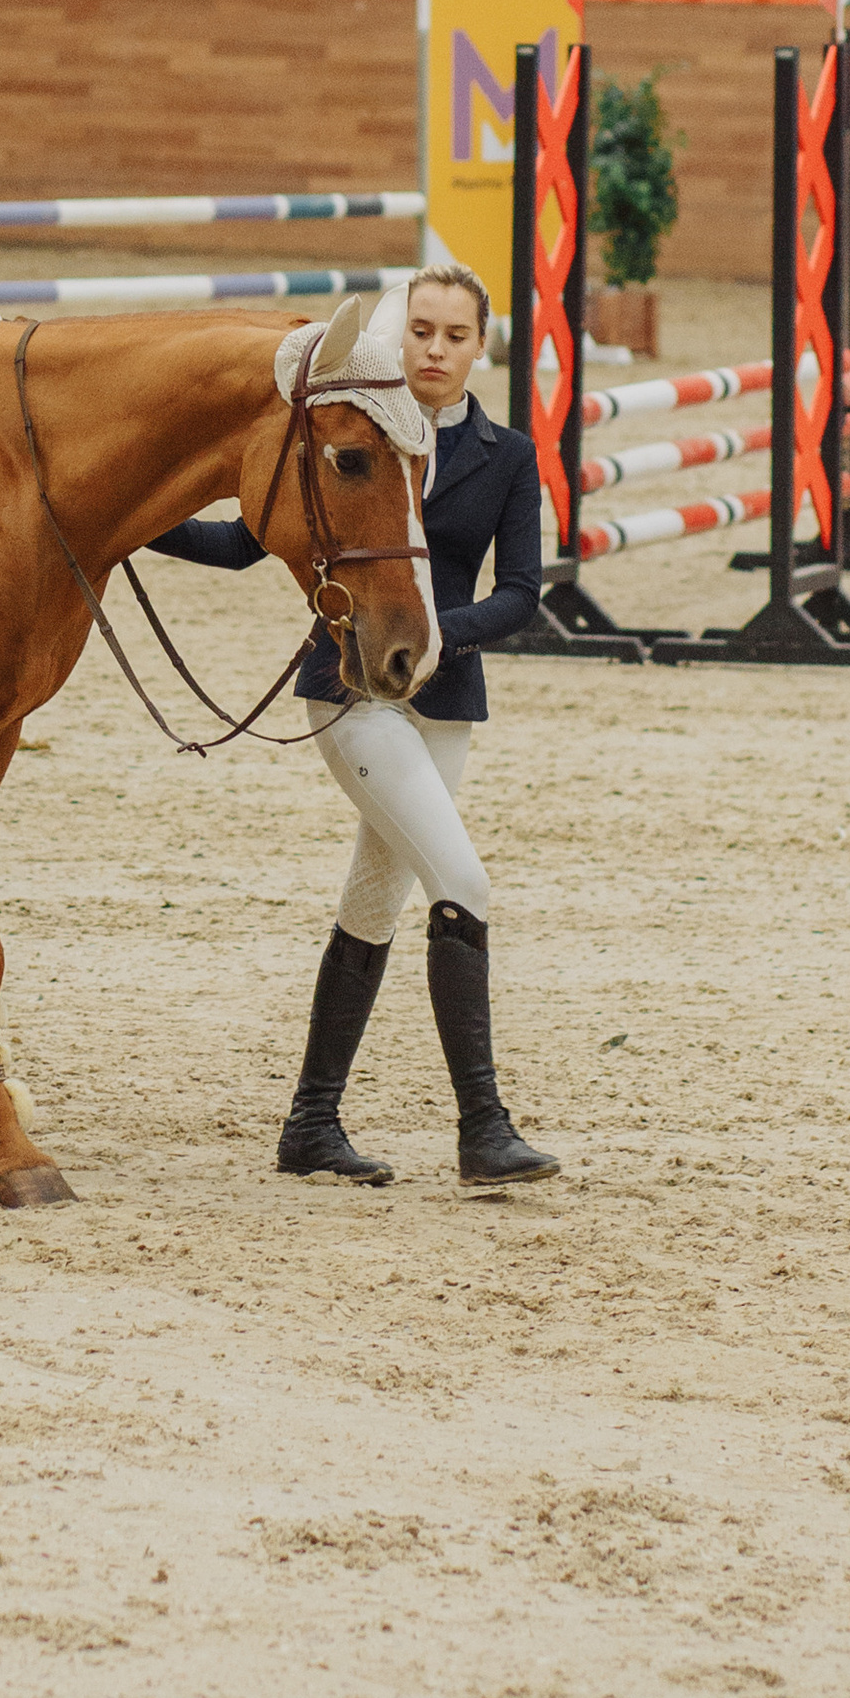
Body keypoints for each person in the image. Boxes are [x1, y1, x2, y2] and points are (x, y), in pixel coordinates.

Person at [147, 266, 557, 1187]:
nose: (436, 351)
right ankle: (483, 1129)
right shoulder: (349, 438)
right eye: (421, 332)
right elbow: (241, 543)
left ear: (479, 347)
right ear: (396, 339)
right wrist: (133, 522)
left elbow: (525, 593)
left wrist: (444, 639)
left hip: (442, 696)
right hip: (351, 692)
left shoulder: (508, 456)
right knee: (462, 878)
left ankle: (310, 1126)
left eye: (455, 336)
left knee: (374, 904)